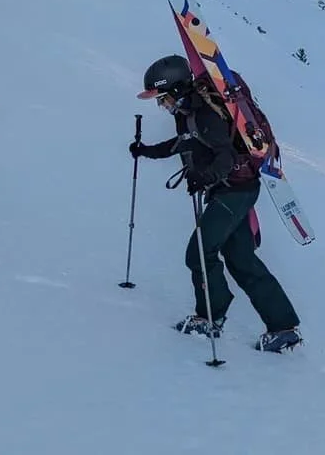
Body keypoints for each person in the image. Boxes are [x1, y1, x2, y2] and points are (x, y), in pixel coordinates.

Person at [130, 54, 303, 352]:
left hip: (234, 192)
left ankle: (210, 317)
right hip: (234, 190)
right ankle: (284, 328)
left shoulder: (206, 114)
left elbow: (226, 157)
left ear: (177, 90)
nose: (163, 106)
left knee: (199, 252)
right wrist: (147, 151)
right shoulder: (190, 112)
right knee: (241, 259)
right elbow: (184, 142)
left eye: (163, 99)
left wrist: (204, 177)